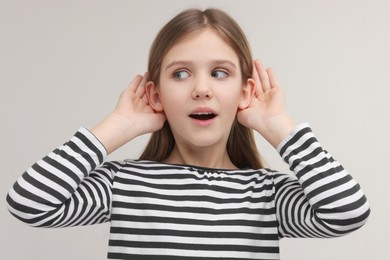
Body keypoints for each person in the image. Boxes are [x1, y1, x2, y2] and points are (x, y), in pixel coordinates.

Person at [6, 8, 370, 260]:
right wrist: (119, 125)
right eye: (180, 74)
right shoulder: (124, 183)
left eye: (220, 73)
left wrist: (278, 127)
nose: (201, 89)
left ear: (245, 93)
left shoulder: (267, 195)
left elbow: (348, 213)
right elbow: (30, 203)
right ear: (155, 93)